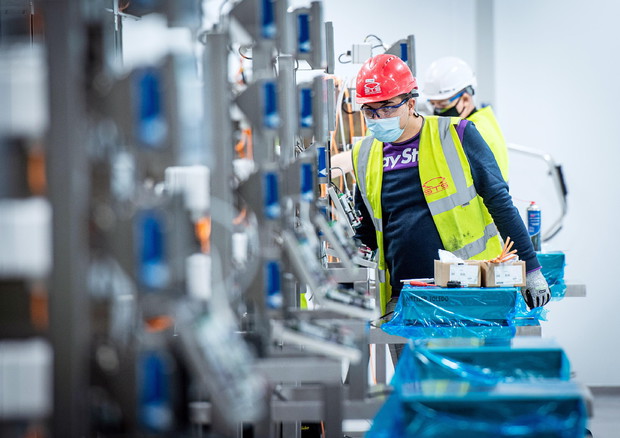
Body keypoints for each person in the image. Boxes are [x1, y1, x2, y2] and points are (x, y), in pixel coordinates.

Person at [351, 54, 550, 341]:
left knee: (470, 382)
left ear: (410, 103)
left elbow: (500, 203)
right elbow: (368, 229)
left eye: (386, 108)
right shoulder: (365, 153)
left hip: (469, 296)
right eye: (369, 111)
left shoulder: (457, 134)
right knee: (414, 383)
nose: (377, 119)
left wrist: (531, 268)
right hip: (405, 301)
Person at [422, 56, 509, 182]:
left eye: (442, 105)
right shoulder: (484, 119)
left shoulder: (473, 132)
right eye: (433, 104)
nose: (437, 111)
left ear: (466, 99)